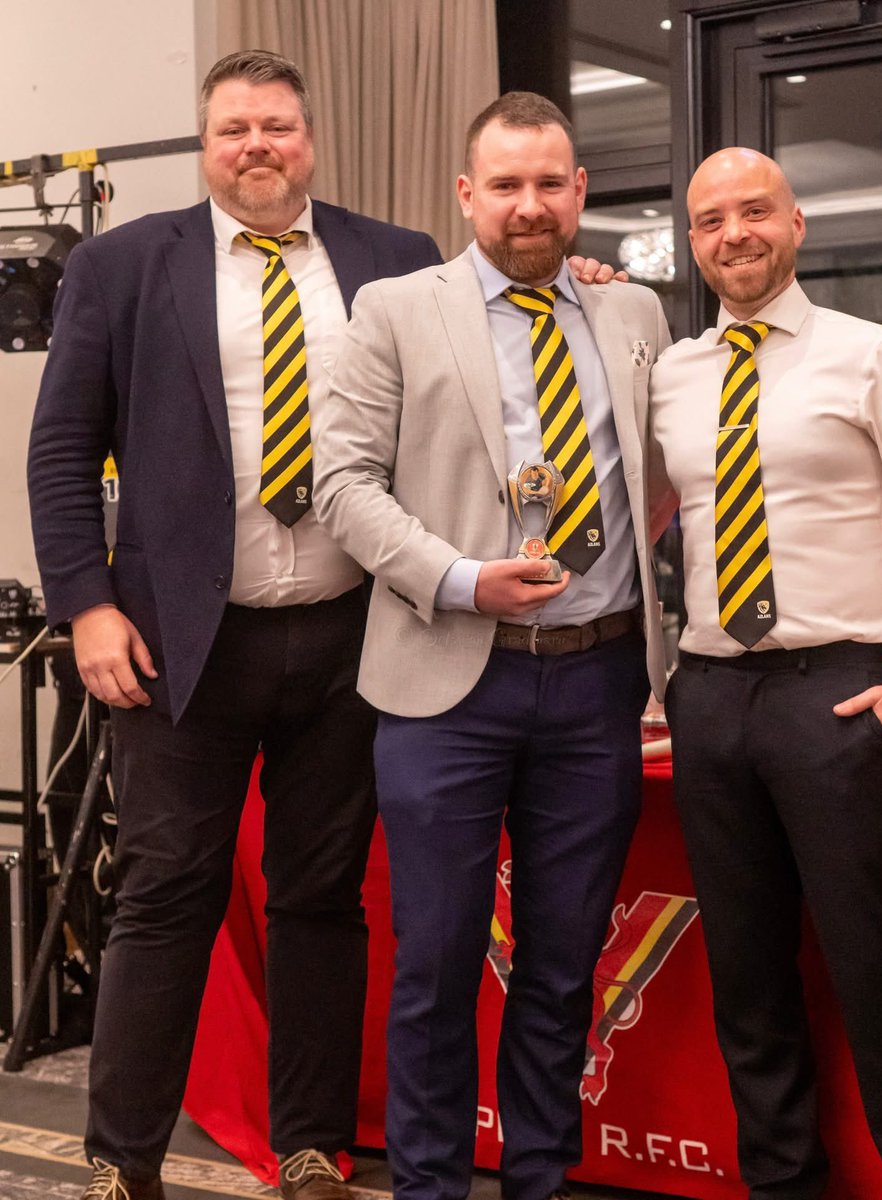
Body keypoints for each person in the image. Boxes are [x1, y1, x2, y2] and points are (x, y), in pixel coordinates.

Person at [27, 49, 448, 1200]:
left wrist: (583, 283)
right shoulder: (121, 265)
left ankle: (311, 1149)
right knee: (164, 897)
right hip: (177, 644)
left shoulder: (397, 260)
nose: (257, 145)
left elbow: (477, 378)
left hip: (352, 638)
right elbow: (61, 453)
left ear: (310, 140)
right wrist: (87, 606)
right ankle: (122, 1164)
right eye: (234, 129)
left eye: (277, 126)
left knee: (322, 898)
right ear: (207, 145)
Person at [313, 92, 670, 1200]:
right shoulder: (393, 309)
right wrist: (464, 580)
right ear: (466, 194)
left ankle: (539, 1181)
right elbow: (342, 486)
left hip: (599, 682)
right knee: (435, 965)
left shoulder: (633, 312)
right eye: (506, 185)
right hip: (444, 684)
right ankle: (428, 1188)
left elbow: (668, 477)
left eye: (550, 184)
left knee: (562, 969)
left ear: (580, 192)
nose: (529, 205)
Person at [648, 146, 882, 1199]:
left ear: (795, 225)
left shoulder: (873, 356)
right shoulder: (673, 375)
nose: (733, 234)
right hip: (709, 696)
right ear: (693, 243)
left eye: (754, 212)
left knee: (874, 971)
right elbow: (644, 523)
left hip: (836, 695)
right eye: (710, 221)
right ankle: (783, 1186)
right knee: (746, 977)